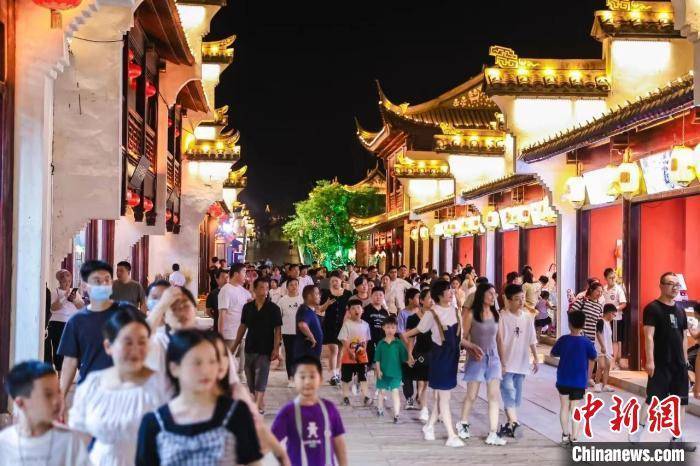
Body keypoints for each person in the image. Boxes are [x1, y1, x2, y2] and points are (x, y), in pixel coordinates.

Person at [136, 329, 263, 465]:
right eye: (197, 363)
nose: (206, 370)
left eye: (212, 361)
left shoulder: (236, 413)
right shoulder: (154, 423)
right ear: (174, 368)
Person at [69, 306, 168, 465]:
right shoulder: (93, 384)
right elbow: (78, 437)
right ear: (108, 346)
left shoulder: (162, 385)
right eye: (128, 343)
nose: (135, 350)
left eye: (142, 342)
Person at [629, 272, 694, 448]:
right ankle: (637, 431)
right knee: (653, 399)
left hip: (679, 365)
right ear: (661, 286)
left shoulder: (680, 310)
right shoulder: (652, 308)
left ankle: (676, 439)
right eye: (671, 283)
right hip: (660, 364)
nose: (675, 287)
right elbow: (648, 336)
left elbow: (683, 337)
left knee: (680, 402)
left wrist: (685, 362)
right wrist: (650, 361)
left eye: (677, 284)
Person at [402, 279, 463, 448]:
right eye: (448, 290)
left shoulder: (455, 311)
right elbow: (419, 330)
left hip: (453, 358)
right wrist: (404, 336)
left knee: (443, 397)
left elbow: (460, 338)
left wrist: (472, 347)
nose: (451, 292)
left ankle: (429, 426)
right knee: (444, 397)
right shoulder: (432, 313)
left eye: (451, 289)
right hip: (439, 358)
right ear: (439, 295)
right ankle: (451, 435)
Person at [0, 360, 91, 465]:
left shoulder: (69, 440)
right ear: (21, 403)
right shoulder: (4, 442)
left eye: (58, 391)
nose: (57, 400)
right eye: (48, 395)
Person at [57, 260, 121, 404]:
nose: (103, 284)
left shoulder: (125, 313)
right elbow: (70, 361)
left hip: (122, 390)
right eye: (97, 281)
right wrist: (61, 398)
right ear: (85, 286)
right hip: (90, 391)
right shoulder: (77, 321)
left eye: (107, 280)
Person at [272, 355, 348, 466]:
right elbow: (272, 441)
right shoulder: (287, 412)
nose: (307, 382)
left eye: (312, 376)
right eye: (302, 377)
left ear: (320, 379)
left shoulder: (330, 409)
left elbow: (339, 442)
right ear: (293, 379)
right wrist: (283, 460)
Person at [458, 282, 505, 446]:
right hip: (476, 358)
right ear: (482, 295)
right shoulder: (471, 314)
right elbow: (461, 338)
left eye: (494, 294)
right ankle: (463, 423)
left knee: (494, 396)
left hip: (494, 359)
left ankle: (493, 432)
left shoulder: (496, 315)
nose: (493, 296)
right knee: (472, 395)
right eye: (490, 293)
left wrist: (503, 363)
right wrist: (471, 346)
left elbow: (500, 340)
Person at [231, 278, 283, 414]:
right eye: (261, 287)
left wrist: (276, 348)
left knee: (261, 375)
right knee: (250, 376)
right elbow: (242, 326)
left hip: (265, 347)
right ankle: (258, 401)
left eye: (266, 288)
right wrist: (235, 345)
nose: (264, 291)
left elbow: (278, 330)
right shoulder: (247, 307)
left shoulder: (274, 308)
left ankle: (257, 404)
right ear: (254, 289)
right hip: (250, 345)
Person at [497, 284, 539, 438]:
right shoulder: (502, 317)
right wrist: (502, 363)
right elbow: (500, 341)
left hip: (521, 364)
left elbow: (532, 339)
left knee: (516, 397)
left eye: (522, 298)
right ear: (508, 300)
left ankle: (510, 425)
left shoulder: (527, 317)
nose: (521, 302)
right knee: (508, 393)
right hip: (507, 364)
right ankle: (514, 422)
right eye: (517, 299)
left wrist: (535, 358)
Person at [551, 310, 597, 446]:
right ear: (583, 324)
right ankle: (575, 437)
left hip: (563, 379)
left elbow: (553, 354)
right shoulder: (587, 342)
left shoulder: (563, 340)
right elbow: (594, 357)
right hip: (579, 380)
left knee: (564, 407)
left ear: (569, 324)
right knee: (575, 408)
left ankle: (565, 435)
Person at [47, 269, 84, 373]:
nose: (67, 284)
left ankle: (78, 371)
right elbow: (53, 308)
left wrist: (74, 300)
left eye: (69, 281)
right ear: (59, 281)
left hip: (72, 323)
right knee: (58, 348)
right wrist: (64, 297)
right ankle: (59, 372)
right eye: (64, 281)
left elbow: (81, 306)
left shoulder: (75, 293)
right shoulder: (55, 292)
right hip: (57, 324)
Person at [218, 263, 252, 374]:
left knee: (242, 363)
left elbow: (253, 301)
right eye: (244, 272)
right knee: (228, 362)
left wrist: (252, 283)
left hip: (243, 332)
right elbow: (222, 313)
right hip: (230, 333)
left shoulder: (242, 290)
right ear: (236, 274)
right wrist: (220, 334)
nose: (246, 275)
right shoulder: (226, 290)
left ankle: (240, 379)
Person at [337, 298, 372, 407]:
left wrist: (364, 351)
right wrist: (349, 351)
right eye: (353, 308)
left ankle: (366, 396)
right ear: (349, 311)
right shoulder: (347, 324)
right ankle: (345, 397)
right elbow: (343, 339)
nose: (356, 310)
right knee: (346, 378)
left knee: (363, 377)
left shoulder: (366, 325)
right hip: (348, 357)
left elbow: (366, 339)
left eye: (358, 307)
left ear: (362, 310)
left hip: (362, 357)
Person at [374, 316, 408, 423]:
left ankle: (396, 414)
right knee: (381, 391)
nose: (390, 330)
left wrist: (410, 361)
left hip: (396, 374)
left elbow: (405, 358)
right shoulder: (381, 343)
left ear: (396, 329)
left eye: (393, 327)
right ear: (383, 328)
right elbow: (377, 359)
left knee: (395, 392)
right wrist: (378, 370)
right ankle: (380, 408)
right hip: (383, 373)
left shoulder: (399, 343)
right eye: (388, 327)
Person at [321, 272, 353, 386]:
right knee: (334, 349)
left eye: (337, 280)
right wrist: (327, 304)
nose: (335, 283)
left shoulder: (348, 293)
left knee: (340, 350)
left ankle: (337, 373)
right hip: (329, 324)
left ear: (341, 281)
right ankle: (333, 374)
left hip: (343, 325)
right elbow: (320, 309)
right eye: (332, 281)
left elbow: (350, 309)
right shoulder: (326, 293)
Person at [277, 277, 304, 386]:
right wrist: (278, 334)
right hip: (287, 332)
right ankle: (291, 378)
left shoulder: (303, 300)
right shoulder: (282, 301)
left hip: (301, 332)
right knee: (290, 355)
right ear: (287, 287)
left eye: (296, 284)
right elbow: (278, 319)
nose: (294, 287)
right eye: (291, 285)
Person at [397, 288, 420, 409]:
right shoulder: (403, 313)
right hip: (406, 348)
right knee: (407, 374)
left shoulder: (422, 312)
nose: (419, 299)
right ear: (410, 299)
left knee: (421, 373)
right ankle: (409, 398)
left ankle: (420, 396)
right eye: (417, 297)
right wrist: (408, 346)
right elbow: (401, 332)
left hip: (420, 348)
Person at [602, 268, 627, 370]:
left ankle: (613, 362)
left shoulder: (618, 289)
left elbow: (623, 304)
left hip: (615, 318)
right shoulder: (603, 289)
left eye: (614, 277)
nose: (612, 280)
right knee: (605, 339)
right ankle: (606, 361)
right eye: (610, 278)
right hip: (604, 318)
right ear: (605, 278)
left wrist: (613, 310)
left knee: (614, 340)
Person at [361, 287, 389, 373]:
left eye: (381, 295)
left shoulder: (385, 312)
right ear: (371, 296)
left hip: (381, 339)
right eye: (376, 295)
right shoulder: (366, 309)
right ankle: (362, 377)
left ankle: (379, 379)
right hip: (369, 339)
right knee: (367, 362)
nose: (378, 297)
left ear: (383, 297)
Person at [295, 285, 324, 359]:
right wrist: (312, 338)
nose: (319, 296)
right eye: (317, 294)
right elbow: (302, 325)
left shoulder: (310, 310)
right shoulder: (305, 310)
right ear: (309, 296)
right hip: (307, 353)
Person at [594, 304, 617, 393]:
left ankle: (605, 385)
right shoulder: (601, 321)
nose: (614, 316)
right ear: (609, 313)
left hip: (608, 349)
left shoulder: (608, 323)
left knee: (607, 366)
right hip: (601, 348)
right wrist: (602, 346)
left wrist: (610, 350)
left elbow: (608, 337)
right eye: (614, 314)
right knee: (601, 366)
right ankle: (597, 384)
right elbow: (598, 333)